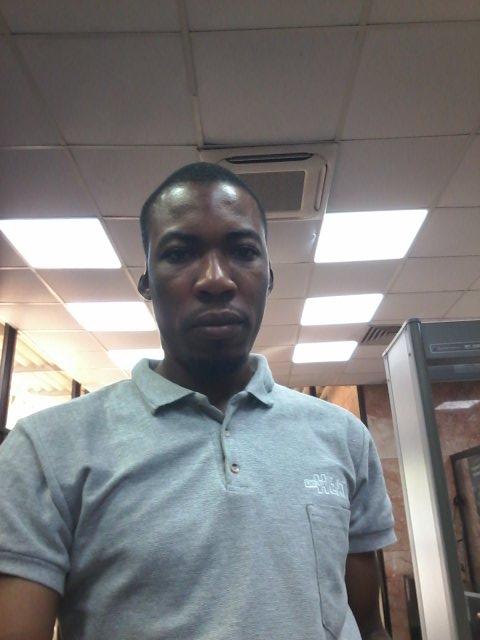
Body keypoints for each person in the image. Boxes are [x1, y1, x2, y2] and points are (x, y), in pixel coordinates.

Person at [0, 162, 395, 640]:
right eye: (180, 253)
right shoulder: (47, 450)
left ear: (268, 277)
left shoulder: (344, 437)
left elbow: (369, 625)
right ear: (147, 282)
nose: (216, 279)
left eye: (243, 252)